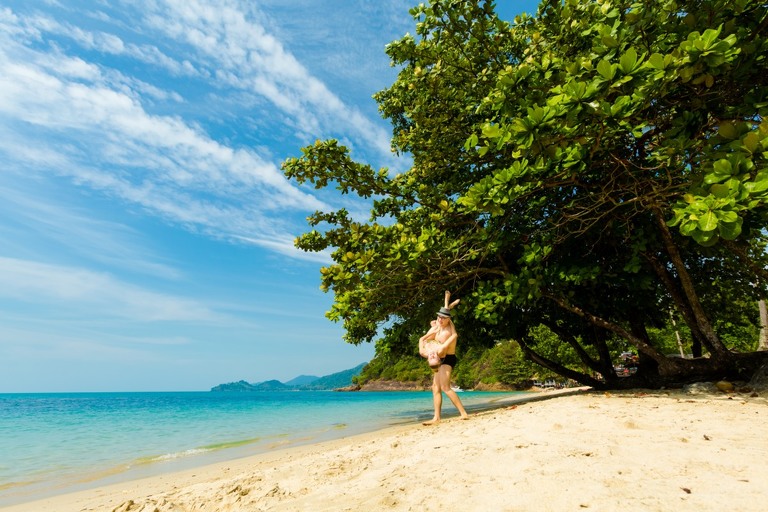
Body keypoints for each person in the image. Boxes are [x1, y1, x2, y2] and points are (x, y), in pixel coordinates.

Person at [418, 299, 469, 425]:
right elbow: (424, 341)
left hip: (447, 358)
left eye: (443, 318)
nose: (440, 319)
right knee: (435, 387)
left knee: (445, 387)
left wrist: (433, 331)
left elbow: (443, 349)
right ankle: (436, 418)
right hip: (439, 358)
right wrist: (433, 329)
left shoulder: (447, 332)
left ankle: (463, 413)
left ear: (448, 320)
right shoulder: (438, 328)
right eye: (439, 317)